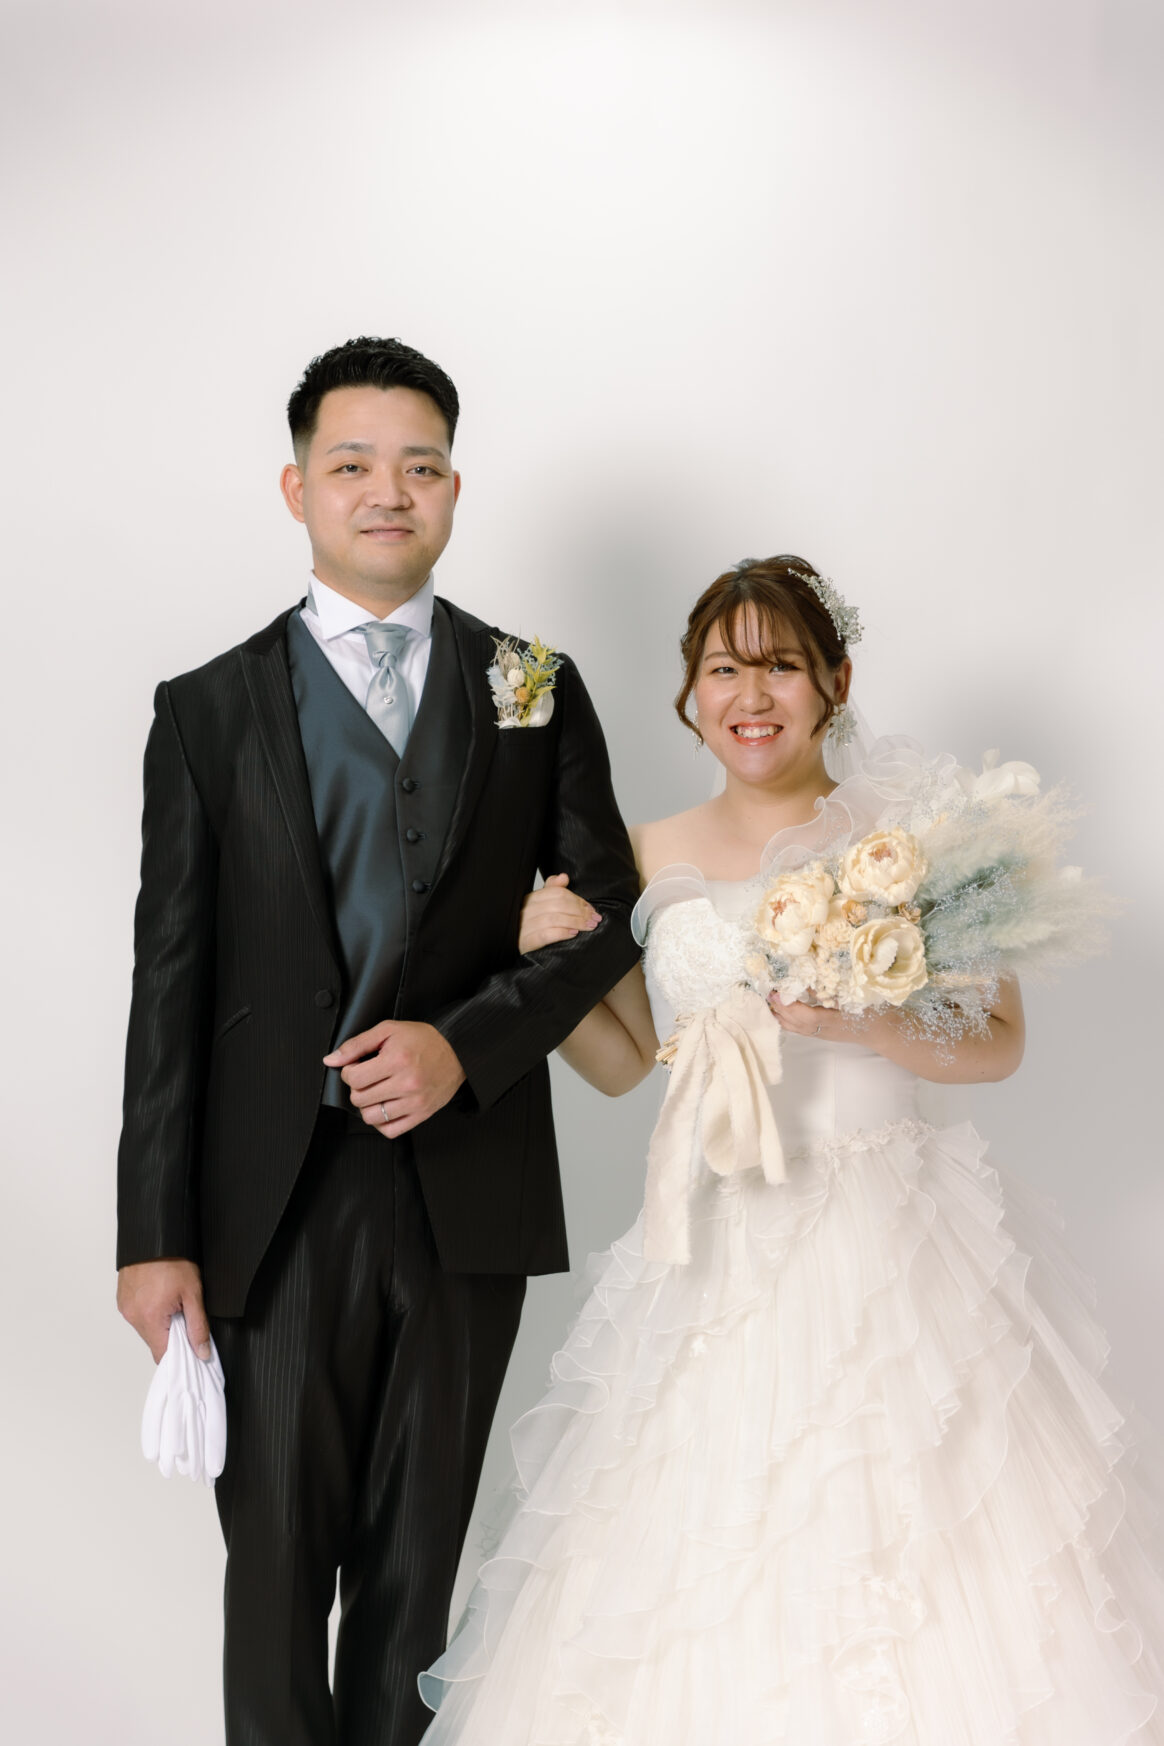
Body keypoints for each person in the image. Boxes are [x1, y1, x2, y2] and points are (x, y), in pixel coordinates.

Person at [418, 555, 1164, 1744]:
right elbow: (627, 1061)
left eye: (779, 666)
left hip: (892, 1225)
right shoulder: (642, 851)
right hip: (713, 1235)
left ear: (834, 683)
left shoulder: (909, 841)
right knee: (700, 1548)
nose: (750, 695)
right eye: (724, 670)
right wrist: (533, 962)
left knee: (921, 1518)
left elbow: (1000, 1042)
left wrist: (863, 1025)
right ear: (689, 694)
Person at [115, 336, 641, 1746]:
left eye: (420, 465)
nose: (386, 491)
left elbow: (610, 913)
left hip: (469, 1187)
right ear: (298, 488)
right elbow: (168, 983)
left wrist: (468, 1044)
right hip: (269, 1207)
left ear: (455, 488)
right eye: (352, 464)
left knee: (419, 1590)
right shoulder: (207, 709)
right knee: (276, 1577)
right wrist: (152, 1235)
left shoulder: (532, 680)